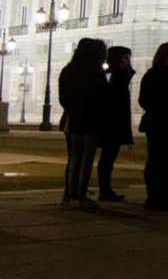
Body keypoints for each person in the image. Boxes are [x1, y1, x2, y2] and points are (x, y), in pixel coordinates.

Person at [59, 38, 108, 208]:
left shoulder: (67, 70)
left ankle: (71, 194)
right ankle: (80, 195)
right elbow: (103, 97)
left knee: (74, 158)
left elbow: (63, 99)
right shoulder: (95, 72)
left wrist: (74, 108)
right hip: (91, 120)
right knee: (87, 158)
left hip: (74, 119)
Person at [138, 43, 168, 210]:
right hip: (165, 124)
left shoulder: (152, 75)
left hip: (158, 123)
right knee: (161, 162)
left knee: (157, 161)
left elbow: (143, 99)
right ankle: (158, 196)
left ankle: (157, 195)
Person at [97, 46, 135, 202]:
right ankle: (104, 190)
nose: (128, 61)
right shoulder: (116, 76)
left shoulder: (113, 74)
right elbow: (117, 100)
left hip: (114, 121)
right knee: (108, 158)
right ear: (119, 59)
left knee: (108, 158)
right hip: (113, 122)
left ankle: (105, 189)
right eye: (126, 58)